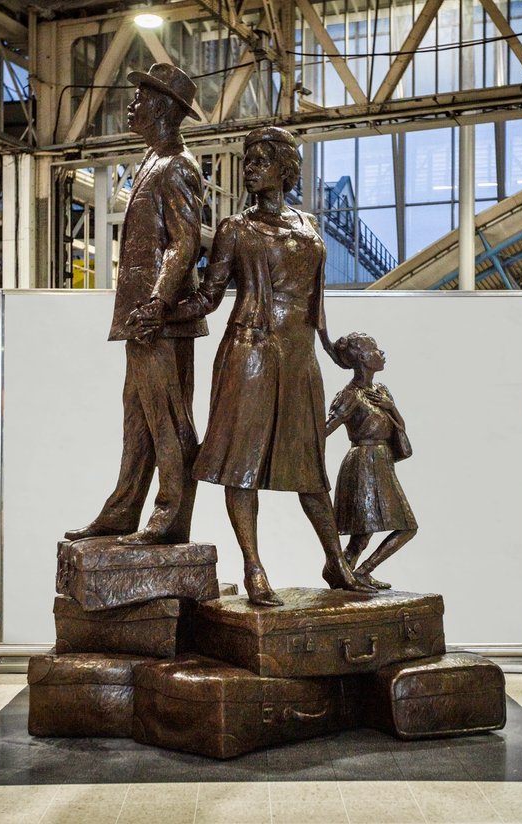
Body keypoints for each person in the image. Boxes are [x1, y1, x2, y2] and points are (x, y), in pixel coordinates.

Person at [150, 126, 374, 605]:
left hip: (300, 359)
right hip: (248, 354)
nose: (249, 166)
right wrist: (161, 307)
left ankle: (336, 561)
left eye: (260, 159)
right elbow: (209, 298)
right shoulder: (235, 229)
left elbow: (317, 302)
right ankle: (254, 568)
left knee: (310, 468)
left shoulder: (310, 226)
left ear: (286, 170)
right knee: (242, 466)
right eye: (248, 158)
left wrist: (334, 349)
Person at [63, 63, 205, 547]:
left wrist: (159, 302)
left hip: (159, 320)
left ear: (164, 108)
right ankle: (123, 510)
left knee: (169, 420)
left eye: (142, 97)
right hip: (142, 320)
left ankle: (170, 517)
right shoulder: (152, 160)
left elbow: (182, 245)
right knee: (138, 418)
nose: (133, 104)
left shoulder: (179, 166)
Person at [326, 332, 418, 590]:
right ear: (364, 358)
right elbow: (326, 429)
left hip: (382, 461)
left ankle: (342, 571)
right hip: (364, 462)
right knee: (386, 529)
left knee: (366, 533)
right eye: (376, 350)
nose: (382, 353)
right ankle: (357, 572)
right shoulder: (350, 395)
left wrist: (391, 407)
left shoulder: (381, 391)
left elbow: (400, 426)